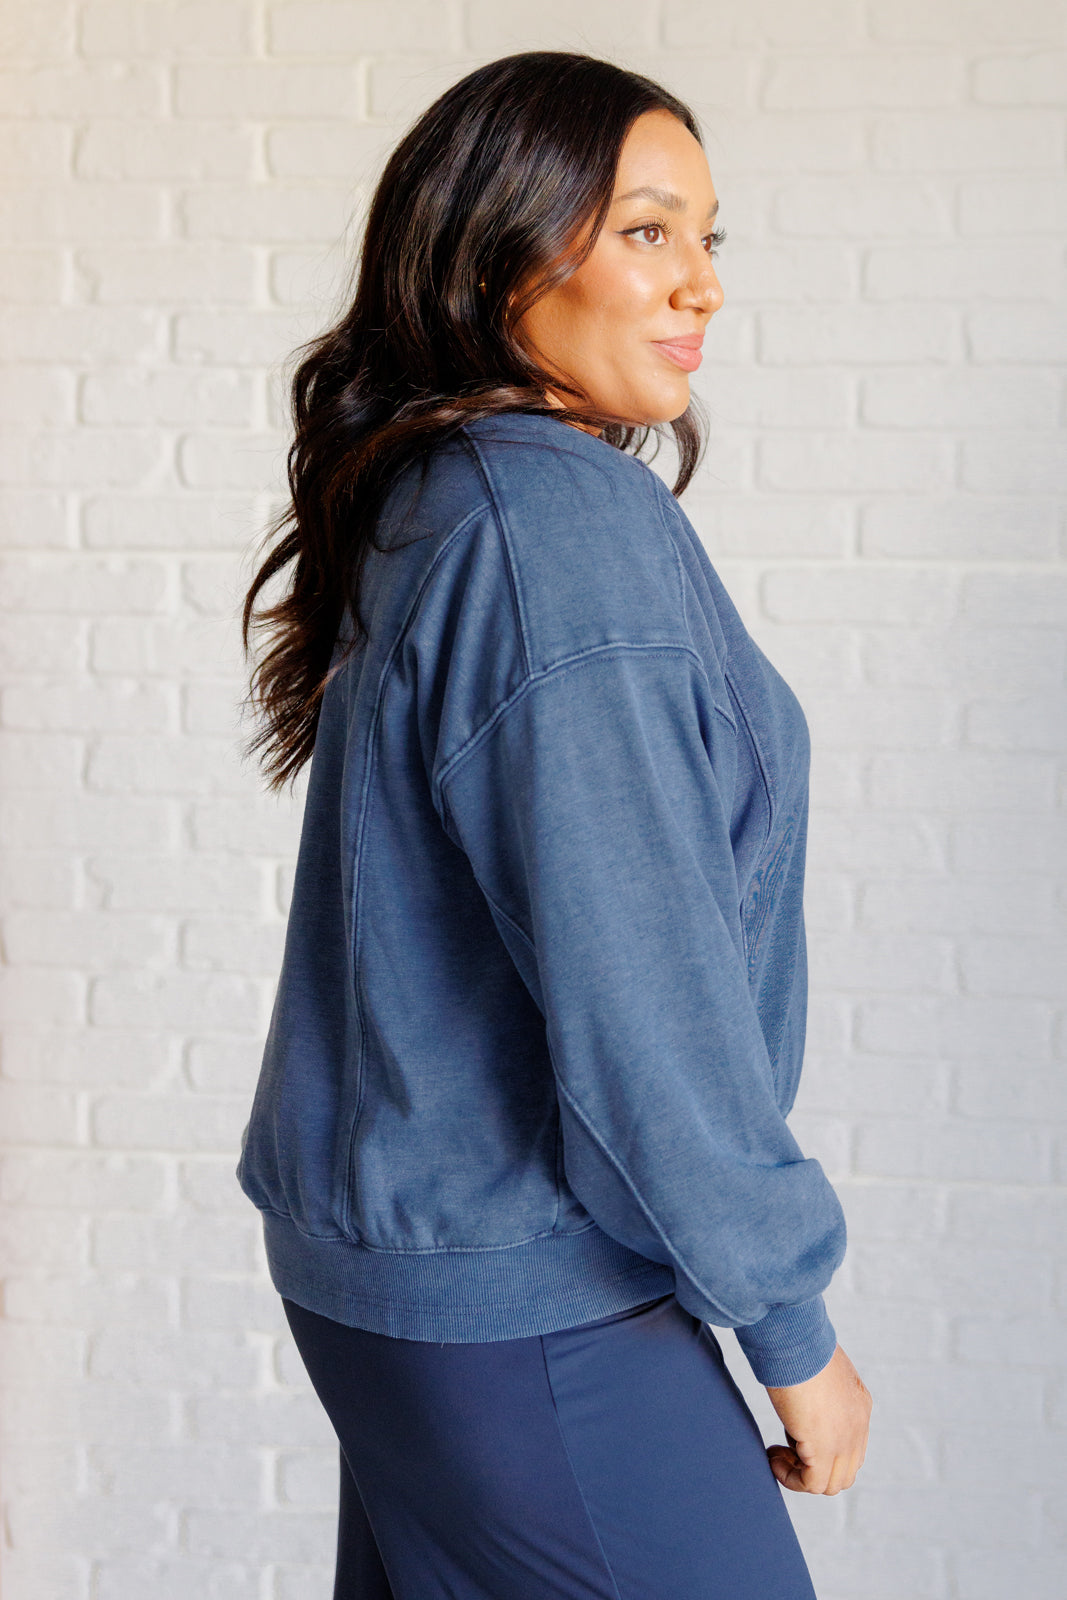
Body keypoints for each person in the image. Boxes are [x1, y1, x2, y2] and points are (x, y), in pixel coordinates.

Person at [236, 50, 872, 1600]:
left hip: (408, 1278)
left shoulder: (444, 488)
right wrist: (791, 1330)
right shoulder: (556, 530)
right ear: (494, 256)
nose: (702, 283)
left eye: (709, 237)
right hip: (529, 1301)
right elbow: (641, 983)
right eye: (649, 231)